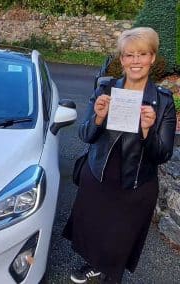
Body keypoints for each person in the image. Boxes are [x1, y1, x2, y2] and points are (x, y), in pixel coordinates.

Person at [63, 27, 177, 284]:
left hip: (136, 182)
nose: (136, 61)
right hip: (99, 173)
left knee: (120, 236)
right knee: (93, 228)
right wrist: (99, 117)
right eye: (129, 55)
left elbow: (163, 154)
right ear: (122, 59)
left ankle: (111, 276)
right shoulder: (106, 89)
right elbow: (85, 134)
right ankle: (93, 264)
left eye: (142, 54)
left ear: (152, 58)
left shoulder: (163, 101)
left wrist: (147, 131)